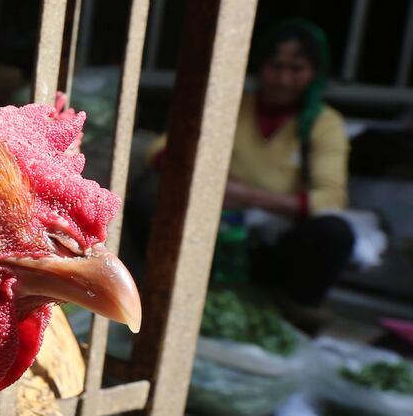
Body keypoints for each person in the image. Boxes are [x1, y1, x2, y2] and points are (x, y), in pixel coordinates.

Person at [147, 19, 355, 307]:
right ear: (260, 67)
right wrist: (208, 179)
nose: (283, 79)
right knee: (148, 203)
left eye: (296, 69)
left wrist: (248, 196)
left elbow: (330, 197)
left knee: (334, 234)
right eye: (275, 66)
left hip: (276, 241)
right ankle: (169, 293)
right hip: (214, 228)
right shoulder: (232, 108)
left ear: (314, 73)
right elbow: (161, 149)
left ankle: (292, 308)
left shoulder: (325, 123)